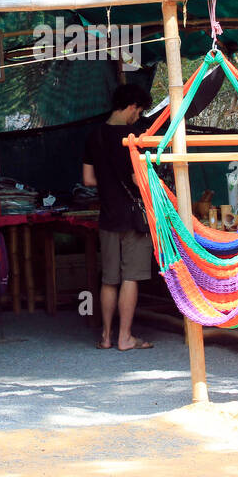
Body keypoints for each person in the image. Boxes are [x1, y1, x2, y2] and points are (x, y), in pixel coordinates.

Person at [83, 83, 154, 351]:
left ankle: (106, 336)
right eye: (139, 110)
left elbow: (88, 179)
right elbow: (138, 178)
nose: (139, 116)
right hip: (134, 217)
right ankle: (125, 337)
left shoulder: (95, 135)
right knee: (130, 277)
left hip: (108, 215)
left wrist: (108, 180)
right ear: (132, 106)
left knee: (109, 279)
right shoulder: (135, 136)